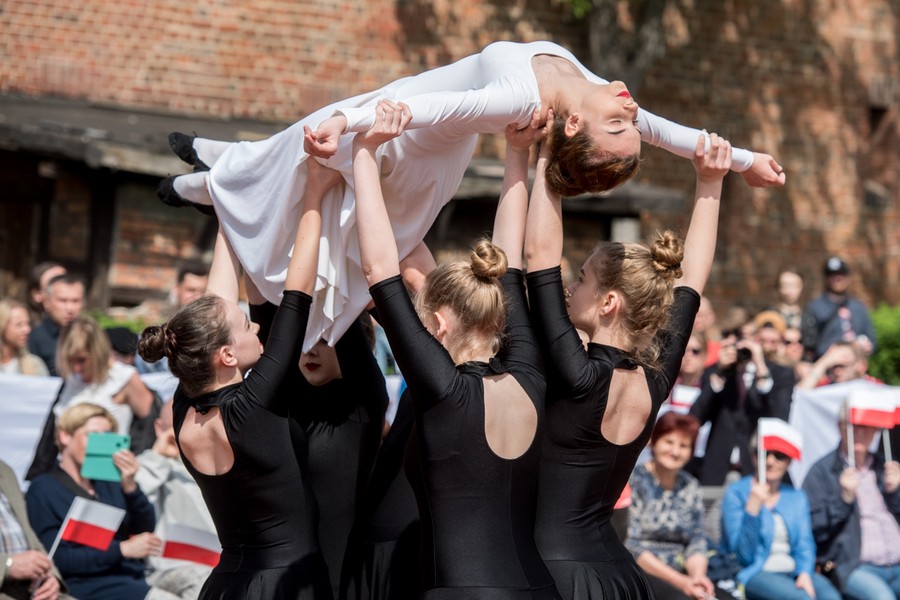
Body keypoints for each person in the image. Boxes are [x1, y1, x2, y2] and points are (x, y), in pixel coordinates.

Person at [159, 40, 784, 351]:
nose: (630, 112)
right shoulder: (602, 97)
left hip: (408, 146)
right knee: (291, 156)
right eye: (625, 124)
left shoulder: (525, 100)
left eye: (621, 125)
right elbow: (671, 133)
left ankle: (202, 183)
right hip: (400, 113)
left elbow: (432, 106)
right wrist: (748, 161)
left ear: (571, 129)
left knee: (305, 176)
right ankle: (214, 164)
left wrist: (353, 127)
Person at [352, 100, 559, 596]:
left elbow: (379, 269)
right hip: (537, 589)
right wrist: (517, 153)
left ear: (439, 326)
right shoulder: (530, 374)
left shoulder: (442, 390)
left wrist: (365, 152)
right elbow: (510, 266)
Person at [525, 106, 732, 598]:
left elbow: (538, 257)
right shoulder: (655, 379)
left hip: (553, 574)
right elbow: (692, 282)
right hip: (618, 574)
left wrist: (548, 156)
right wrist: (711, 184)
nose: (571, 287)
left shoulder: (576, 372)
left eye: (581, 281)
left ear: (608, 303)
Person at [136, 157, 336, 599]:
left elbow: (215, 304)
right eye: (247, 325)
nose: (258, 326)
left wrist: (228, 204)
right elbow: (297, 295)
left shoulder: (184, 407)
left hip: (226, 583)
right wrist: (314, 195)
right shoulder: (252, 406)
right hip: (287, 585)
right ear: (226, 354)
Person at [25, 403, 175, 600]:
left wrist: (130, 486)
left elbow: (144, 527)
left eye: (108, 436)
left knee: (200, 580)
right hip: (88, 586)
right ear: (65, 436)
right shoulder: (43, 489)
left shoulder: (109, 481)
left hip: (133, 577)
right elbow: (57, 558)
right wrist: (122, 549)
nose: (101, 444)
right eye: (93, 436)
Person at [720, 432, 841, 600]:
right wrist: (752, 510)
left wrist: (804, 572)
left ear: (789, 461)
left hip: (792, 570)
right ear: (754, 457)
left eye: (779, 455)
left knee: (831, 597)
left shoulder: (796, 497)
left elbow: (804, 543)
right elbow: (743, 556)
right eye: (763, 454)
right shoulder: (737, 493)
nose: (770, 461)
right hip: (755, 572)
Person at [627, 412, 733, 600]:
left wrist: (697, 577)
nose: (675, 451)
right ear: (654, 441)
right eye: (669, 442)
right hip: (641, 570)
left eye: (684, 446)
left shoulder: (690, 485)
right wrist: (680, 581)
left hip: (683, 568)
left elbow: (696, 539)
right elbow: (631, 544)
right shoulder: (633, 481)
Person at [802, 404, 900, 600]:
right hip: (853, 567)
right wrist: (843, 499)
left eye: (866, 426)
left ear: (875, 430)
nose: (860, 432)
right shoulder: (822, 471)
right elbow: (814, 528)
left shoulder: (885, 466)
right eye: (854, 425)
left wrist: (896, 492)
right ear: (840, 427)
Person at [689, 327, 794, 486]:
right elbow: (696, 417)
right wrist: (720, 373)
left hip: (756, 470)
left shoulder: (780, 374)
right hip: (717, 471)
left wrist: (761, 367)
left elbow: (779, 418)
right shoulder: (718, 371)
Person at [135, 400, 216, 600]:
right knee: (203, 580)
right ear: (159, 428)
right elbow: (135, 499)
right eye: (178, 425)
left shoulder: (218, 463)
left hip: (220, 560)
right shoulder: (147, 464)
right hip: (173, 568)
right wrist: (160, 457)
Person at [0, 458, 71, 600]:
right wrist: (8, 565)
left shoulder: (5, 471)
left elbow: (31, 537)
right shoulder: (44, 487)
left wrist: (50, 575)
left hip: (33, 589)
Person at [801, 256, 876, 361]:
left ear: (847, 277)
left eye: (841, 274)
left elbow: (871, 339)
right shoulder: (814, 307)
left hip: (855, 367)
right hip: (827, 367)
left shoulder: (858, 307)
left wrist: (867, 346)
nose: (838, 279)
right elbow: (809, 344)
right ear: (826, 278)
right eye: (832, 275)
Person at [27, 274, 84, 377]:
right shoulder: (34, 339)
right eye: (63, 301)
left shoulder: (89, 337)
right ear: (47, 302)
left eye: (75, 301)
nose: (70, 308)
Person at [796, 339, 878, 389]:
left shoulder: (873, 387)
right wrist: (823, 363)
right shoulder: (826, 386)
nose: (837, 371)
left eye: (842, 365)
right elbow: (799, 397)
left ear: (861, 366)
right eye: (833, 365)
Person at [0, 298, 49, 376]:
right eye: (19, 325)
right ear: (2, 326)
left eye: (27, 324)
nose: (27, 330)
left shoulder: (35, 365)